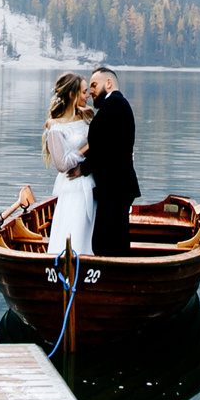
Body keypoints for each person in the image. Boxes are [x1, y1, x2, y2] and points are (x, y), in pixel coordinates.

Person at [83, 66, 140, 257]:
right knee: (114, 239)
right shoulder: (116, 105)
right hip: (117, 186)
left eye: (94, 85)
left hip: (115, 187)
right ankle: (118, 270)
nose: (90, 91)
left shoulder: (114, 104)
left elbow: (103, 146)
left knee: (106, 243)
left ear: (108, 83)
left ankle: (114, 271)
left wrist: (82, 168)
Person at [40, 73, 96, 263]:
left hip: (91, 180)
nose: (87, 95)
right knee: (75, 226)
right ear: (72, 95)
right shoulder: (54, 125)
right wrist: (88, 146)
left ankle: (90, 265)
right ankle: (69, 265)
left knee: (90, 230)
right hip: (73, 186)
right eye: (84, 91)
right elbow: (61, 164)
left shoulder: (87, 114)